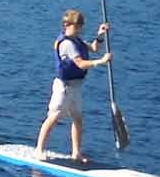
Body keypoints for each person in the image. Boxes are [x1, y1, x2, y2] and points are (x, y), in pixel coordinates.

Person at [34, 9, 111, 161]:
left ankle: (76, 153)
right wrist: (101, 62)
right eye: (76, 26)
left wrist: (100, 35)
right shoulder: (67, 44)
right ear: (66, 25)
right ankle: (39, 150)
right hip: (63, 87)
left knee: (78, 119)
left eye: (80, 26)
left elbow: (94, 48)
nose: (79, 29)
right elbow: (81, 64)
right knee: (54, 117)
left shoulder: (78, 40)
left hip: (76, 86)